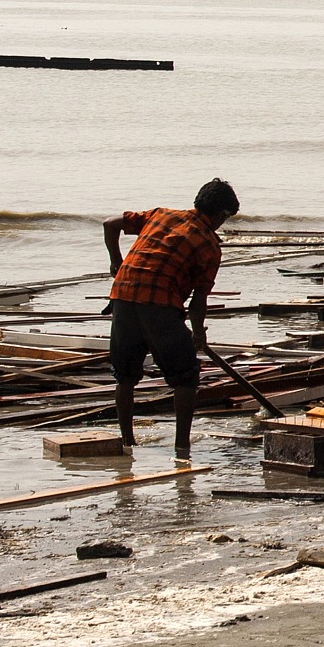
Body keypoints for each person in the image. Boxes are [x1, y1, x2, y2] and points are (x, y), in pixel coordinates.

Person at [103, 178, 239, 459]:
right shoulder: (209, 246)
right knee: (186, 378)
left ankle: (127, 442)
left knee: (125, 376)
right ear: (218, 215)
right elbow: (198, 301)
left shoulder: (161, 214)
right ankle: (182, 447)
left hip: (123, 297)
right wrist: (199, 334)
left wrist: (116, 261)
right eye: (225, 219)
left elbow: (110, 223)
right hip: (160, 305)